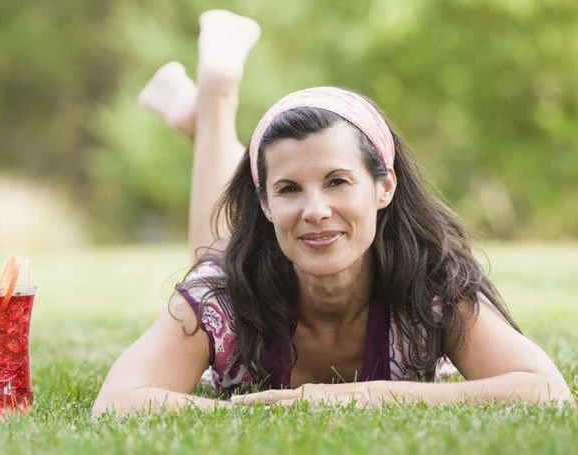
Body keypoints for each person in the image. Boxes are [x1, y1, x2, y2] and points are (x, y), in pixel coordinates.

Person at [92, 10, 572, 416]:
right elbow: (115, 402)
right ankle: (214, 101)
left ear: (384, 186)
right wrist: (248, 410)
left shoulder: (431, 286)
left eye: (338, 181)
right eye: (288, 189)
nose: (316, 211)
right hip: (246, 271)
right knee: (216, 253)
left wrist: (351, 396)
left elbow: (548, 391)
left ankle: (209, 107)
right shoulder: (219, 297)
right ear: (262, 204)